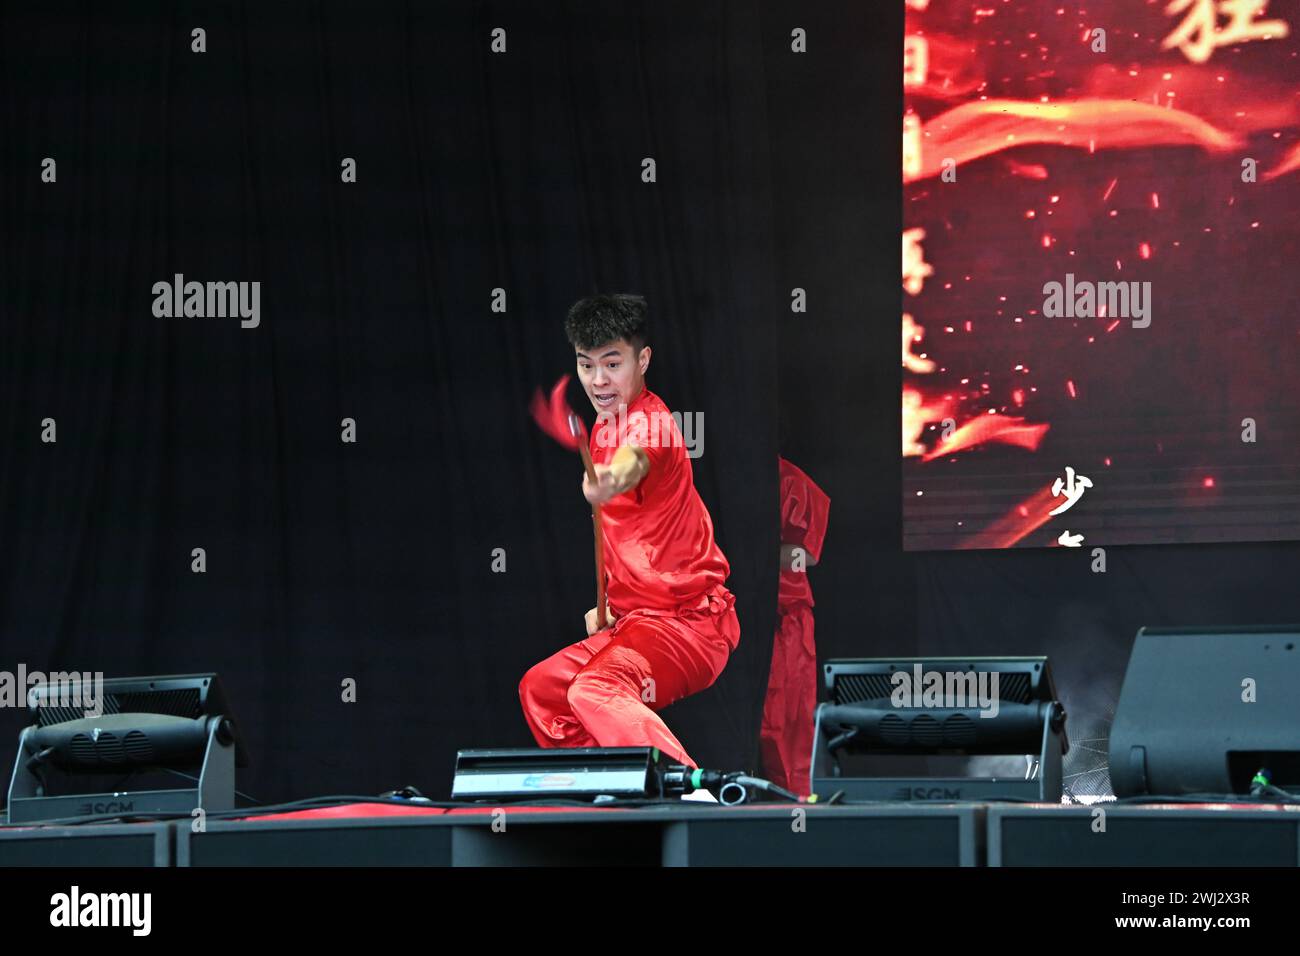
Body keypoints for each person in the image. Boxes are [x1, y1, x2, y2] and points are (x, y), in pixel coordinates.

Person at [518, 294, 740, 769]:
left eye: (612, 363)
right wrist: (609, 605)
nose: (598, 381)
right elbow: (624, 535)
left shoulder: (653, 426)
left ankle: (687, 797)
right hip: (636, 622)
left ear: (642, 360)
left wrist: (611, 479)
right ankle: (610, 796)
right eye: (586, 365)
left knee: (596, 689)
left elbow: (633, 461)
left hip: (691, 627)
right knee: (543, 691)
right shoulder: (603, 425)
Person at [759, 455, 830, 796]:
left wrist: (751, 552)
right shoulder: (713, 474)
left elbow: (808, 554)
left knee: (788, 724)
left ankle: (795, 805)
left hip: (785, 619)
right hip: (730, 618)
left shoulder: (792, 479)